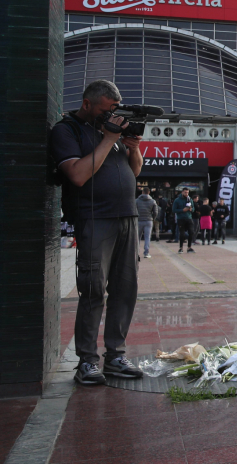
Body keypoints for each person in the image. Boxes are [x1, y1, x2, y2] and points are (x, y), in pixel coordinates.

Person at [50, 79, 145, 385]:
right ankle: (87, 362)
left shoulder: (111, 131)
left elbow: (134, 172)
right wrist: (108, 138)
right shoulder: (68, 130)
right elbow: (77, 175)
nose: (111, 115)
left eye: (114, 110)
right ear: (87, 104)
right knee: (92, 291)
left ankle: (115, 356)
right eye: (105, 110)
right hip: (95, 219)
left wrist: (133, 149)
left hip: (127, 217)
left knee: (125, 290)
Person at [135, 187, 158, 259]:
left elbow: (133, 210)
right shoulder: (153, 201)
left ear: (142, 192)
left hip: (139, 220)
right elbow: (155, 212)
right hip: (148, 220)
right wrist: (152, 218)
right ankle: (146, 253)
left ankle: (136, 253)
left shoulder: (137, 201)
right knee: (147, 237)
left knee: (137, 238)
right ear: (149, 192)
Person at [173, 187, 195, 254]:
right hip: (181, 218)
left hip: (189, 218)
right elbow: (174, 210)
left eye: (187, 192)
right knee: (182, 234)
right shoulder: (177, 200)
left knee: (191, 232)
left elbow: (193, 208)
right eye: (185, 192)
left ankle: (189, 247)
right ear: (182, 192)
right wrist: (182, 210)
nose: (186, 194)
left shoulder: (189, 199)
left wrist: (191, 209)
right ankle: (181, 248)